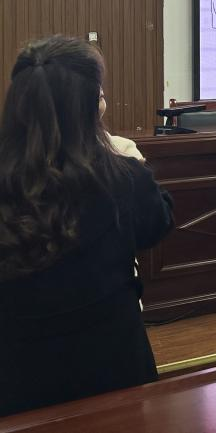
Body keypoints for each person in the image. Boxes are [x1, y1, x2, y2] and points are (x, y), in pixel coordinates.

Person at [0, 37, 174, 416]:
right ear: (90, 107)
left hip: (16, 381)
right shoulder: (123, 176)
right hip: (113, 371)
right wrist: (127, 161)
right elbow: (157, 222)